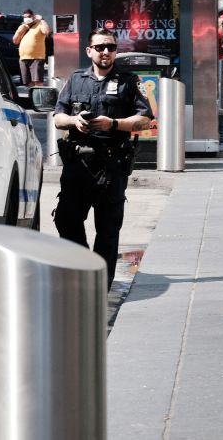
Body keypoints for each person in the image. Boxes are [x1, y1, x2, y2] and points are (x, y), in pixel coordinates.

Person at [53, 27, 154, 290]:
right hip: (79, 164)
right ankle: (85, 265)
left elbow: (145, 119)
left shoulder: (130, 82)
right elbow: (58, 117)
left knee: (108, 230)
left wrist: (114, 123)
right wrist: (74, 121)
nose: (106, 52)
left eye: (110, 47)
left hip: (112, 166)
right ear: (89, 51)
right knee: (66, 220)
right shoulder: (76, 79)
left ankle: (100, 285)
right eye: (100, 47)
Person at [13, 9, 50, 87]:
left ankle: (38, 98)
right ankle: (31, 98)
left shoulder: (40, 24)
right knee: (28, 83)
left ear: (33, 16)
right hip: (23, 58)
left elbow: (46, 31)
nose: (27, 18)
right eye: (25, 17)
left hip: (36, 58)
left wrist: (42, 19)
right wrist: (22, 29)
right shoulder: (23, 26)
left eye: (29, 16)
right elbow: (15, 41)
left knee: (37, 82)